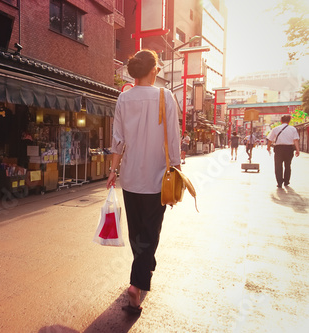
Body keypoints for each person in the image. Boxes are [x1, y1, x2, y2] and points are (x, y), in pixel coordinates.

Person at [106, 49, 180, 315]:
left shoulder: (123, 98)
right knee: (151, 231)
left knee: (137, 231)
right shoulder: (165, 96)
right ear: (154, 70)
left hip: (130, 178)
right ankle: (137, 286)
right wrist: (177, 170)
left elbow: (118, 139)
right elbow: (173, 138)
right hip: (157, 177)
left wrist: (113, 170)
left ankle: (145, 265)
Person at [266, 115, 300, 188]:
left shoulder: (275, 129)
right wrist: (297, 149)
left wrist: (268, 147)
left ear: (281, 121)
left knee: (278, 166)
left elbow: (270, 139)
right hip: (289, 149)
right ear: (289, 121)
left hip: (278, 149)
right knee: (288, 165)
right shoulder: (293, 129)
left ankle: (279, 182)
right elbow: (296, 140)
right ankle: (286, 181)